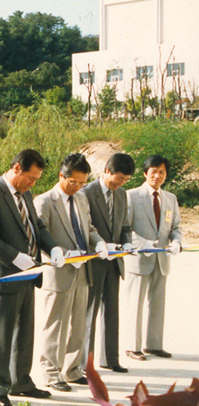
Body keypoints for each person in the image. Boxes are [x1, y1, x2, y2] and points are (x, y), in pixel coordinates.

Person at [0, 149, 65, 406]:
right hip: (5, 274)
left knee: (24, 332)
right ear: (16, 169)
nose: (33, 183)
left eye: (36, 179)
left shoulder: (25, 193)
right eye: (31, 177)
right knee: (2, 335)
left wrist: (53, 247)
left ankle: (21, 382)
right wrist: (13, 257)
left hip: (29, 273)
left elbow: (37, 226)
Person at [34, 154, 108, 392]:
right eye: (73, 182)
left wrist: (98, 243)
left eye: (82, 183)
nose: (77, 187)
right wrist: (64, 255)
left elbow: (90, 227)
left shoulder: (82, 200)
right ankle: (50, 373)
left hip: (82, 270)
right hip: (59, 272)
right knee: (54, 325)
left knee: (78, 323)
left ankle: (73, 370)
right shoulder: (44, 201)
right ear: (61, 176)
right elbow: (39, 238)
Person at [123, 155, 182, 360]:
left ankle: (154, 344)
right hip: (139, 258)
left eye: (162, 172)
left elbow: (175, 227)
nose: (157, 175)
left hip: (162, 259)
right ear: (145, 173)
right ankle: (133, 346)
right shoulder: (130, 195)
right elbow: (125, 229)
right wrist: (141, 243)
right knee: (135, 303)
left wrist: (177, 242)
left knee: (157, 303)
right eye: (153, 171)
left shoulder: (170, 198)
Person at [81, 153, 135, 372]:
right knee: (89, 313)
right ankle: (87, 362)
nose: (121, 183)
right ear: (107, 171)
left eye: (126, 180)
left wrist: (127, 244)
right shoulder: (86, 193)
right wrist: (101, 246)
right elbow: (84, 227)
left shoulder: (122, 194)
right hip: (94, 261)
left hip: (115, 262)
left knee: (112, 311)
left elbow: (124, 227)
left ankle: (110, 359)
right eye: (120, 178)